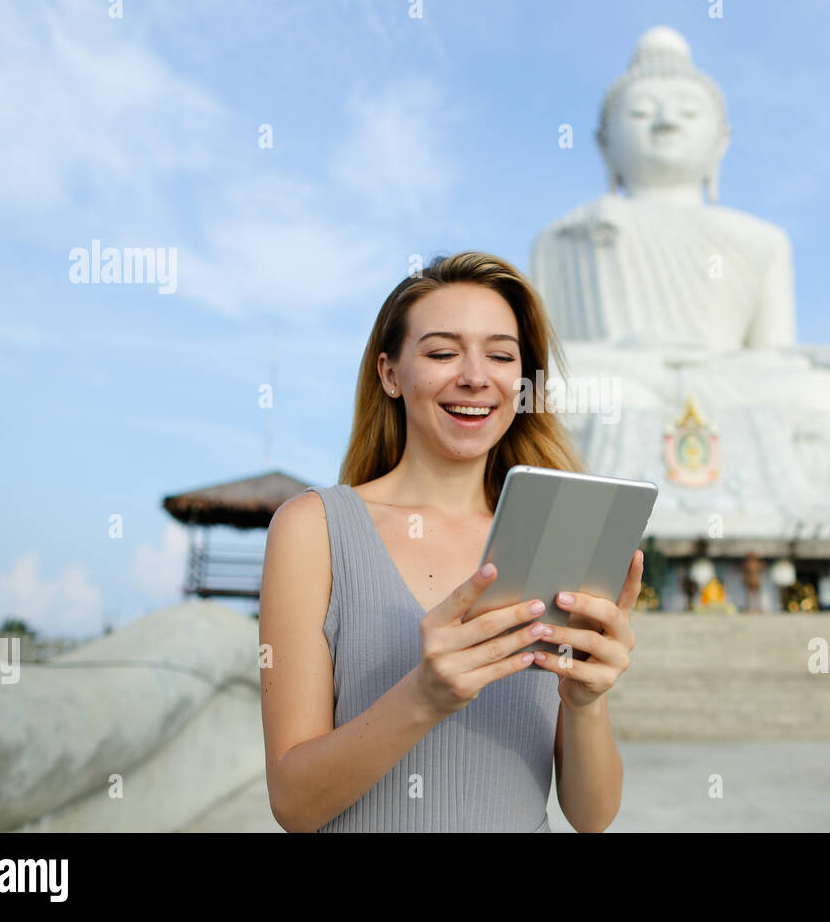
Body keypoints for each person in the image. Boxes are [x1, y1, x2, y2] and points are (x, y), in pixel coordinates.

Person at [258, 251, 643, 832]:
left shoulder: (560, 536)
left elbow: (592, 817)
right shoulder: (313, 529)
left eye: (501, 355)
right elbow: (293, 803)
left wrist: (584, 702)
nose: (474, 376)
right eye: (441, 352)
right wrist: (425, 696)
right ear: (390, 374)